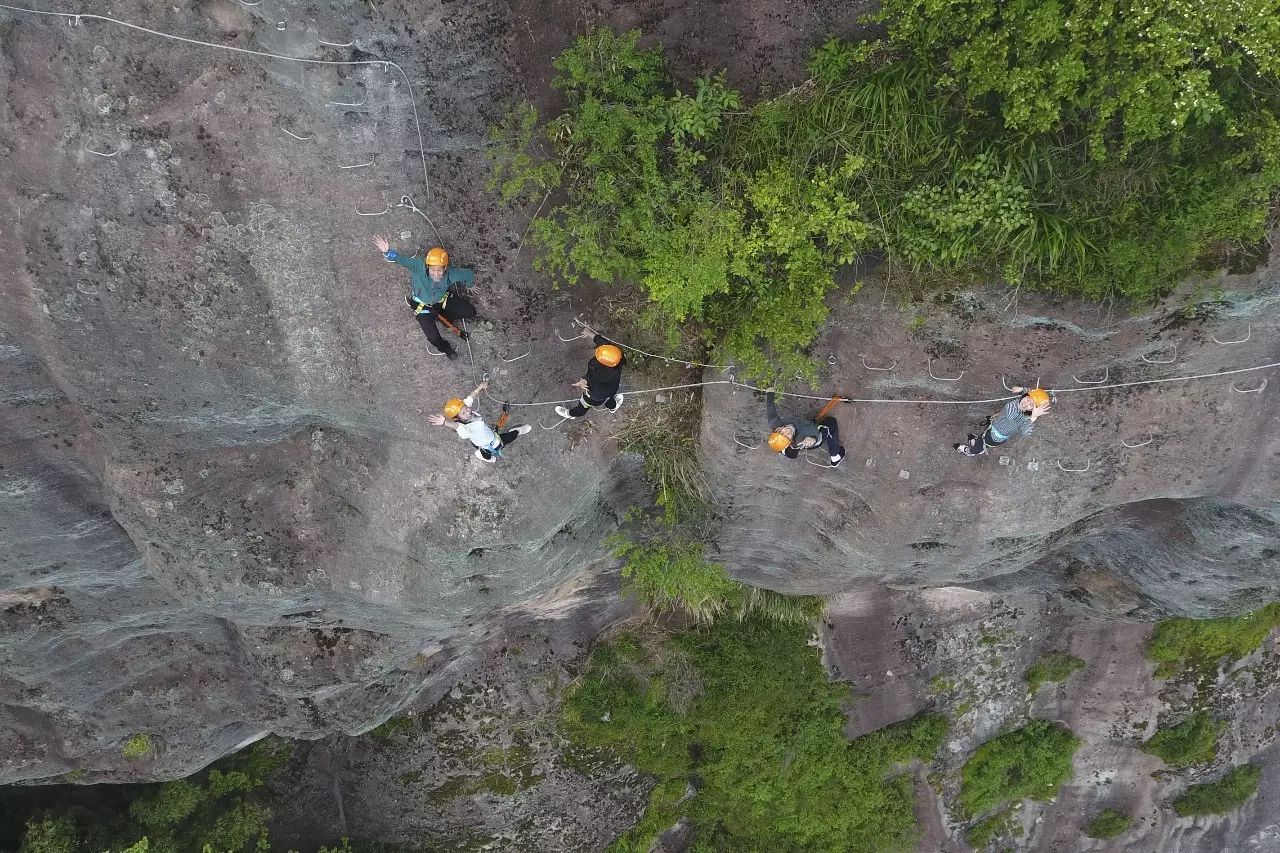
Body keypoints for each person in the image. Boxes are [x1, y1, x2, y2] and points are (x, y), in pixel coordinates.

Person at [374, 236, 476, 360]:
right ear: (427, 266)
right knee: (433, 337)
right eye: (433, 269)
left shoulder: (451, 273)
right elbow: (401, 260)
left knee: (470, 312)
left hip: (441, 300)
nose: (436, 273)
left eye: (440, 270)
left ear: (445, 268)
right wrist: (387, 252)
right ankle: (445, 348)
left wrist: (470, 285)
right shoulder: (418, 266)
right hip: (422, 305)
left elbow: (468, 274)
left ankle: (445, 318)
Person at [429, 380, 532, 462]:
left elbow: (469, 399)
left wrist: (480, 387)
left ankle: (518, 431)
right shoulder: (465, 429)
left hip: (491, 437)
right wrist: (445, 422)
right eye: (464, 413)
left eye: (466, 408)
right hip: (488, 445)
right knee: (487, 456)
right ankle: (486, 458)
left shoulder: (464, 411)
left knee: (512, 435)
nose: (468, 412)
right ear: (458, 418)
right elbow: (457, 426)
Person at [955, 386, 1052, 456]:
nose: (1026, 404)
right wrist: (1032, 417)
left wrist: (1022, 389)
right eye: (1028, 399)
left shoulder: (1022, 401)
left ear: (1033, 409)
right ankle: (976, 446)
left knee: (978, 447)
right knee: (982, 438)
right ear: (1026, 396)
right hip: (996, 432)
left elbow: (1026, 432)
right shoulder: (1011, 409)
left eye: (1032, 405)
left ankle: (970, 451)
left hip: (993, 437)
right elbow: (1026, 431)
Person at [554, 327, 625, 420]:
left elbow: (591, 383)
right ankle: (613, 407)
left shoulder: (596, 371)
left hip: (597, 396)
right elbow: (605, 345)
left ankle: (570, 414)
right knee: (610, 400)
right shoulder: (616, 357)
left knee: (584, 405)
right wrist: (590, 334)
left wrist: (584, 382)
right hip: (612, 388)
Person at [764, 391, 845, 466]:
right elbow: (814, 433)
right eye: (787, 437)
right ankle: (835, 457)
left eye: (782, 433)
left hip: (803, 431)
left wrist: (770, 392)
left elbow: (770, 405)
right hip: (815, 436)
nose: (787, 433)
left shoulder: (774, 423)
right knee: (830, 422)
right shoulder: (801, 438)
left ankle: (785, 449)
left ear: (778, 429)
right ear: (790, 441)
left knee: (808, 425)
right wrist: (813, 440)